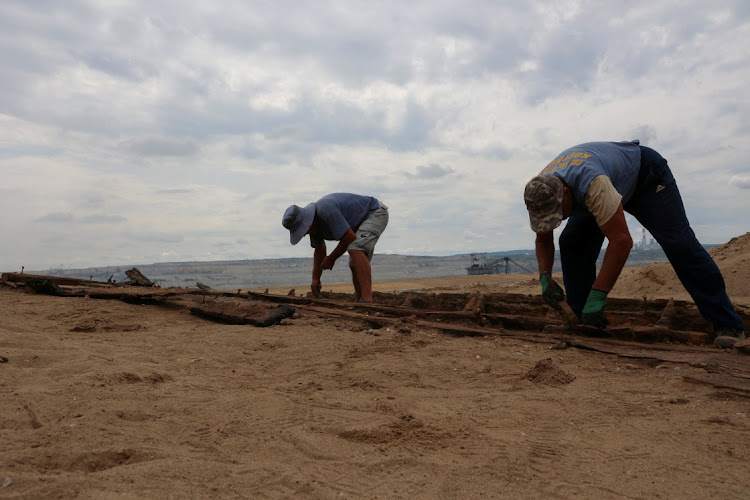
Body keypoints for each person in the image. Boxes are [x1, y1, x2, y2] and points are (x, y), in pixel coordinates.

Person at [523, 140, 745, 348]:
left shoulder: (592, 183)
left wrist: (598, 295)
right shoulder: (540, 191)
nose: (558, 219)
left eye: (558, 213)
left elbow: (621, 241)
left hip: (644, 176)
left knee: (679, 244)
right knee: (573, 242)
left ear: (565, 193)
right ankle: (582, 319)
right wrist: (545, 277)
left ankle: (728, 324)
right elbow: (543, 237)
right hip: (602, 181)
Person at [282, 193, 388, 303]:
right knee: (353, 263)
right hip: (360, 224)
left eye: (303, 230)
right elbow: (320, 251)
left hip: (374, 213)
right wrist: (315, 279)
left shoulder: (326, 210)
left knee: (355, 249)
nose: (304, 234)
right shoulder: (314, 227)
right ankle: (360, 300)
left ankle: (367, 301)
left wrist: (331, 258)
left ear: (307, 222)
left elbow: (349, 237)